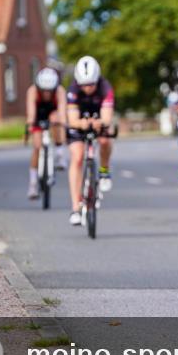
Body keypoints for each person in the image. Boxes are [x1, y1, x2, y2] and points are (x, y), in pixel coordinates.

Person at [66, 55, 115, 226]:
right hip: (79, 121)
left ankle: (104, 170)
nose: (87, 88)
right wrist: (82, 123)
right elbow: (72, 120)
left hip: (98, 118)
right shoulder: (73, 89)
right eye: (84, 85)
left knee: (104, 140)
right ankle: (75, 207)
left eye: (91, 84)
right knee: (78, 156)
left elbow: (107, 118)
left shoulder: (105, 87)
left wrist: (99, 123)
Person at [25, 67, 67, 198]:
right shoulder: (32, 91)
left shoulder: (60, 91)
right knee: (37, 147)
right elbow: (31, 113)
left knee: (56, 119)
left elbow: (62, 112)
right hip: (38, 114)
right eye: (44, 90)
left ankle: (60, 154)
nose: (47, 94)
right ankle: (33, 184)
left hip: (53, 113)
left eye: (50, 91)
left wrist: (62, 123)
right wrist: (30, 125)